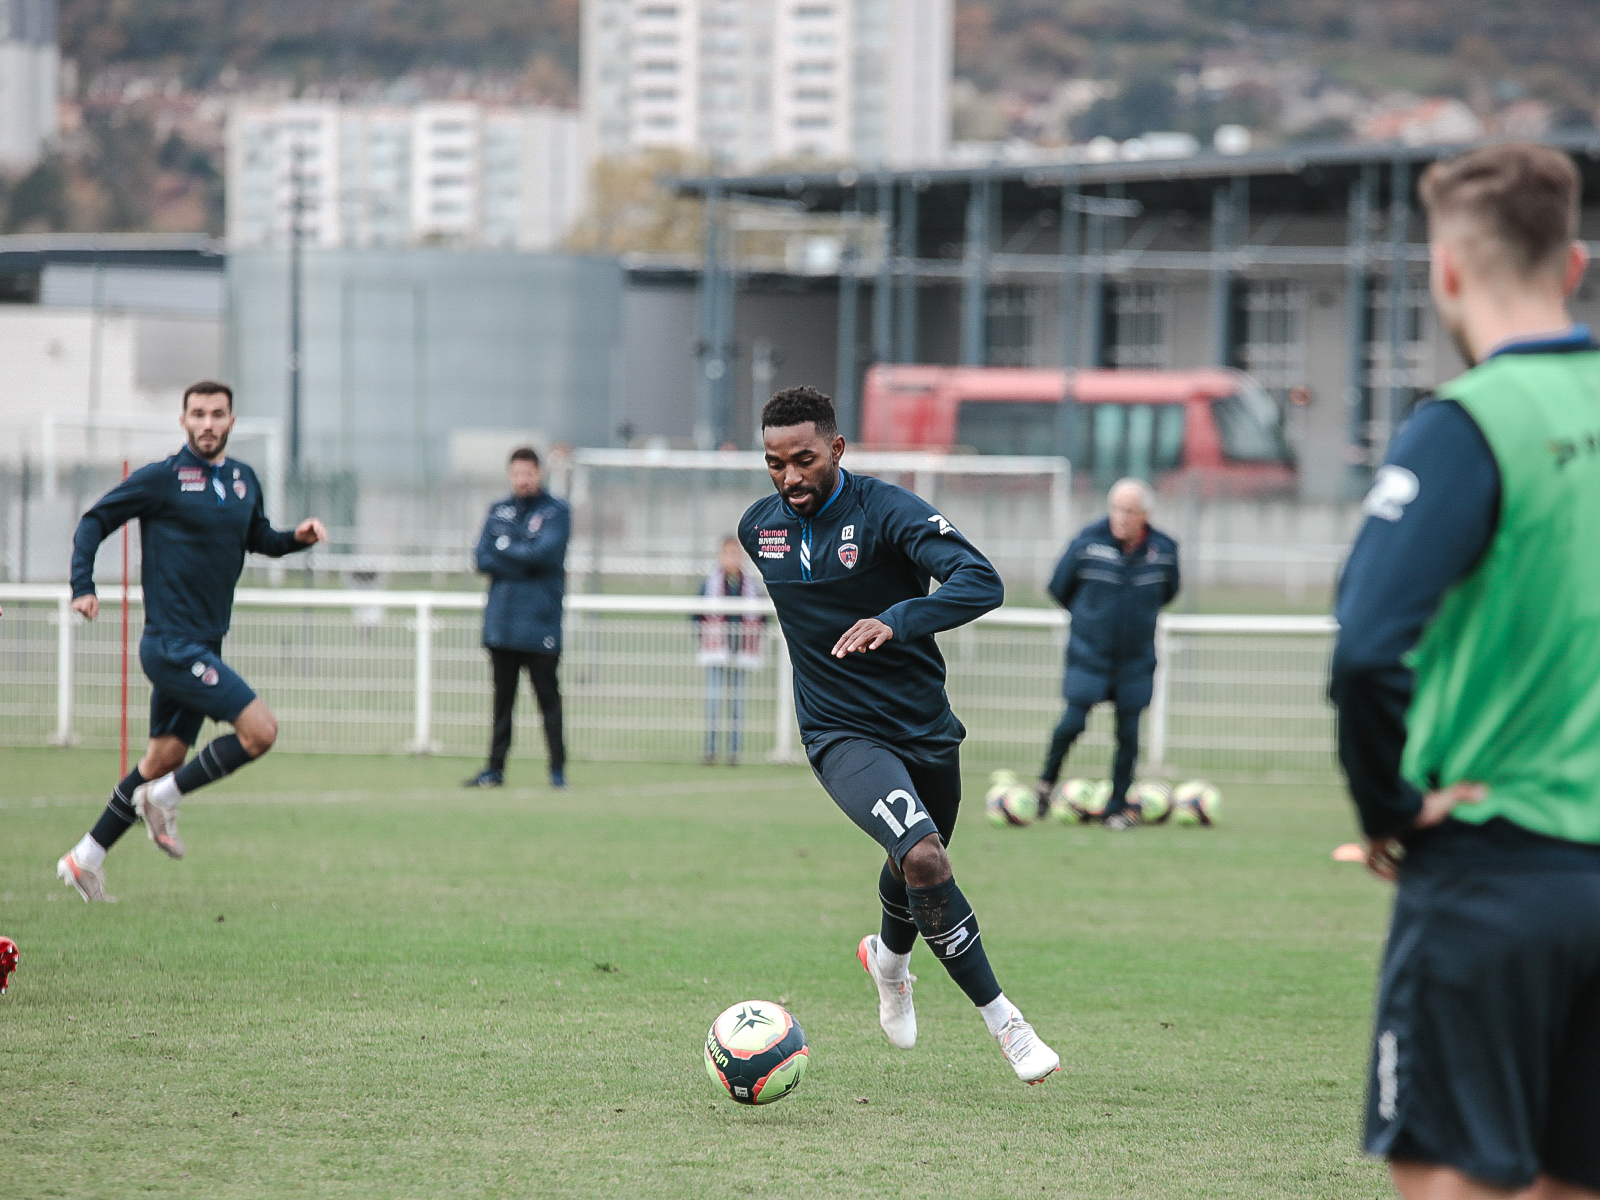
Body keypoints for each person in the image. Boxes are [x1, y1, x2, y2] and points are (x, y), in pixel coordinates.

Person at [1329, 142, 1600, 1200]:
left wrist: (1387, 807)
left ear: (1444, 270)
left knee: (1452, 1182)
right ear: (1571, 264)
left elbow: (1364, 649)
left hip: (1495, 871)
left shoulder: (1464, 426)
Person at [741, 385, 1059, 1085]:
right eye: (774, 464)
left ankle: (889, 962)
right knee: (924, 858)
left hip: (924, 730)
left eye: (804, 459)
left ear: (837, 449)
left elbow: (982, 581)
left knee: (914, 860)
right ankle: (1007, 1023)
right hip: (841, 735)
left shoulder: (886, 511)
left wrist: (900, 618)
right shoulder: (757, 529)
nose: (790, 477)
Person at [56, 381, 327, 901]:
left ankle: (85, 856)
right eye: (198, 414)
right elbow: (95, 520)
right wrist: (83, 587)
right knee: (260, 733)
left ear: (231, 421)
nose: (207, 423)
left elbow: (259, 539)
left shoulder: (243, 480)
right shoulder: (163, 479)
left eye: (217, 414)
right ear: (183, 421)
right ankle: (164, 799)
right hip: (172, 647)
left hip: (206, 645)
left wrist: (296, 539)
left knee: (160, 759)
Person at [1033, 478, 1180, 829]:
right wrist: (1091, 620)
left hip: (1136, 659)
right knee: (1072, 723)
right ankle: (1044, 785)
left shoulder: (1165, 549)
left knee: (1128, 734)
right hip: (1089, 654)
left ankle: (1117, 806)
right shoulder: (1087, 543)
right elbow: (1058, 587)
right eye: (1116, 508)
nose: (1121, 517)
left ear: (1145, 514)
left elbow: (1169, 591)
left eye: (1129, 510)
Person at [464, 446, 571, 790]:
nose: (523, 480)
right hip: (502, 623)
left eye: (529, 473)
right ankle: (495, 769)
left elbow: (544, 554)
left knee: (548, 701)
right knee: (502, 703)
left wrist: (505, 549)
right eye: (517, 473)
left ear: (539, 473)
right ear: (510, 475)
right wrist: (518, 554)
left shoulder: (556, 512)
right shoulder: (498, 510)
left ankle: (557, 770)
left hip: (540, 624)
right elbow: (481, 557)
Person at [694, 536, 765, 766]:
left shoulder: (751, 585)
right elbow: (696, 615)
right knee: (713, 703)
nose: (731, 558)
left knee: (737, 704)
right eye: (727, 553)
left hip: (742, 652)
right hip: (716, 652)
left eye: (735, 554)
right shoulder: (709, 584)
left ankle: (734, 752)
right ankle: (710, 750)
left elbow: (761, 617)